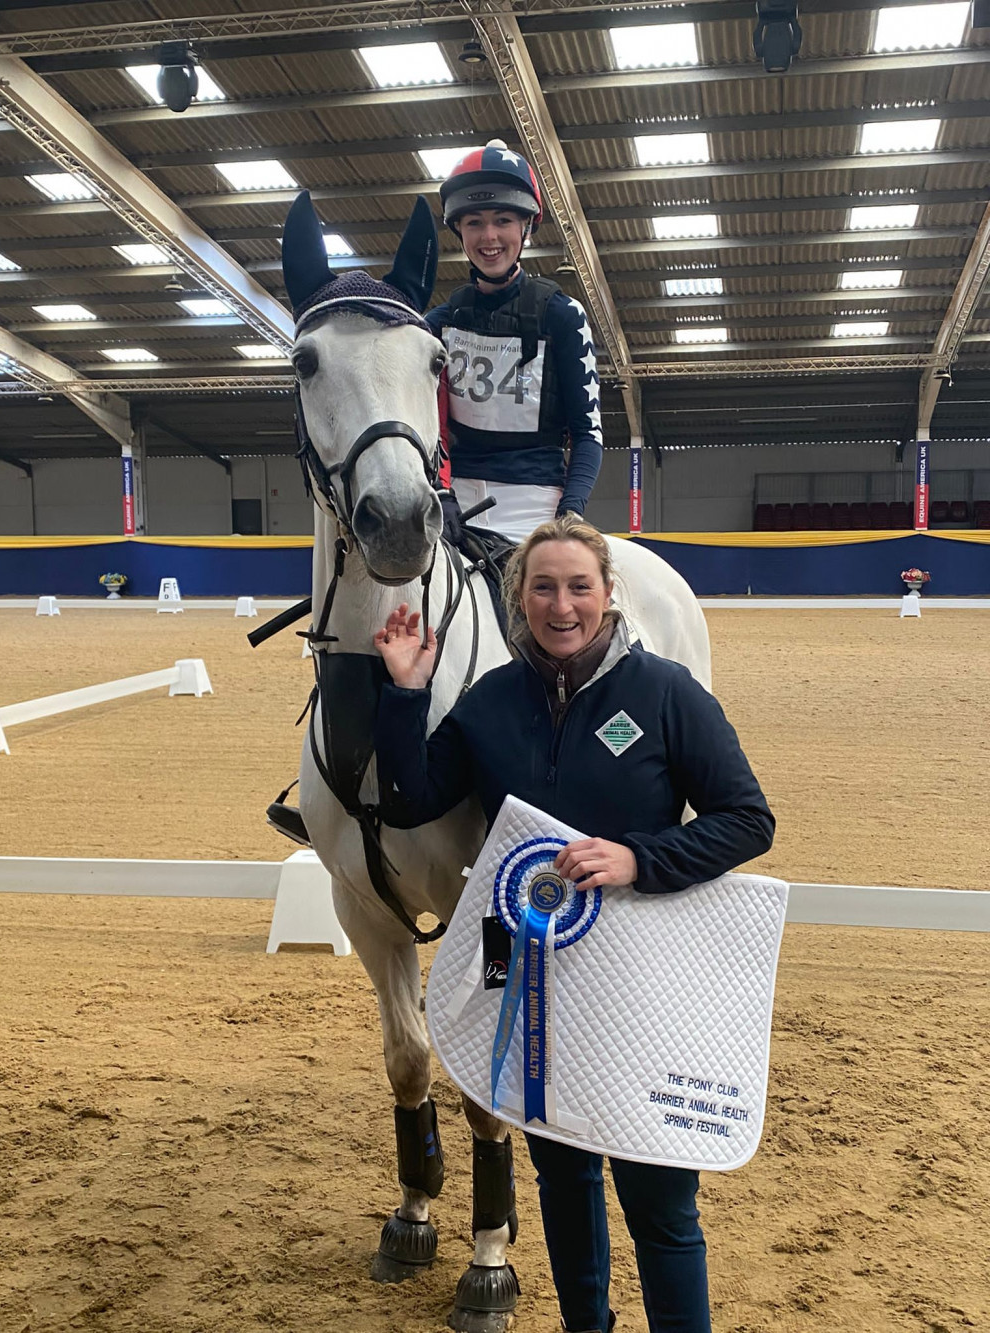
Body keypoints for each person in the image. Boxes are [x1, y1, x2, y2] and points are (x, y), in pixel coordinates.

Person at [373, 512, 775, 1333]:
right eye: (544, 587)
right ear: (519, 597)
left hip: (638, 983)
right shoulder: (489, 701)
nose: (562, 606)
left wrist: (639, 858)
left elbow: (747, 819)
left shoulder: (665, 693)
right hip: (527, 976)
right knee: (562, 1178)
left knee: (659, 1199)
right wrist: (404, 694)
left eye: (579, 586)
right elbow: (412, 799)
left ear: (607, 592)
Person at [430, 141, 604, 543]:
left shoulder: (563, 316)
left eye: (503, 220)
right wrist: (441, 491)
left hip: (537, 504)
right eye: (474, 222)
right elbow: (431, 428)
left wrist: (570, 513)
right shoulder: (436, 326)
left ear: (525, 226)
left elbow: (587, 433)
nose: (489, 236)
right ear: (459, 230)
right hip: (453, 502)